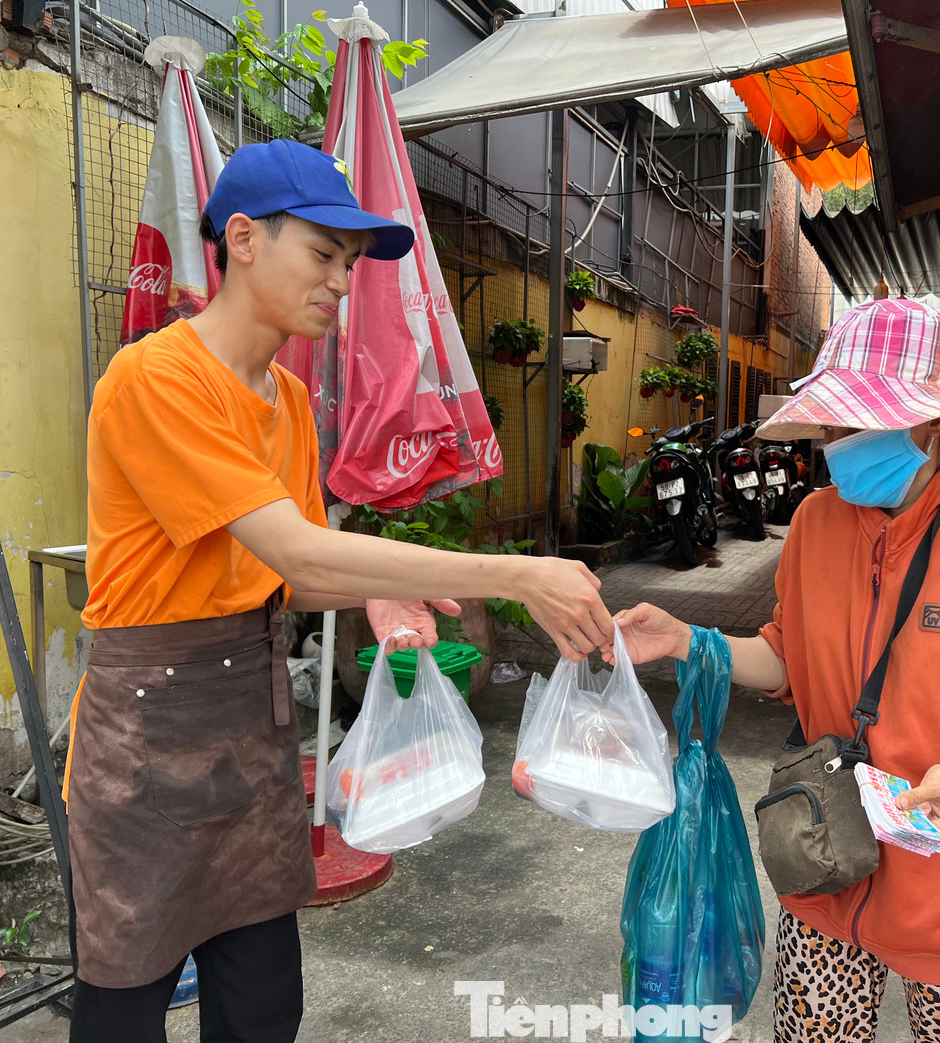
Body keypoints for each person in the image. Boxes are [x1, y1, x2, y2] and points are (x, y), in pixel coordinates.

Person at [64, 139, 613, 1042]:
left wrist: (376, 600)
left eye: (349, 265)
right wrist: (515, 572)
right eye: (323, 254)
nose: (340, 281)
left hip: (248, 724)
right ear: (242, 238)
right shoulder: (156, 378)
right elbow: (306, 557)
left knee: (263, 1005)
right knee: (125, 1006)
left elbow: (298, 569)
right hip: (146, 737)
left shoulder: (282, 401)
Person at [613, 299, 940, 1043]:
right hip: (824, 867)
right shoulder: (814, 523)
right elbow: (786, 657)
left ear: (936, 423)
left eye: (858, 424)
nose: (835, 445)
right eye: (832, 423)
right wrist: (688, 639)